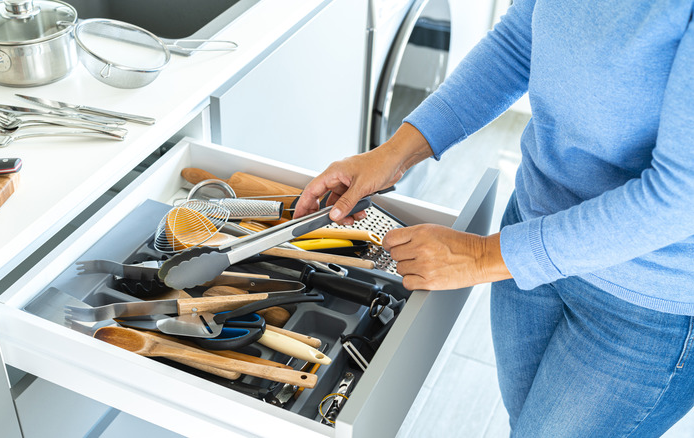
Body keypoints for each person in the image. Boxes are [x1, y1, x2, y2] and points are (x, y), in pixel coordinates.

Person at [293, 0, 694, 435]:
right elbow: (519, 45)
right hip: (530, 233)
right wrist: (394, 154)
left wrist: (481, 256)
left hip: (646, 302)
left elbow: (680, 197)